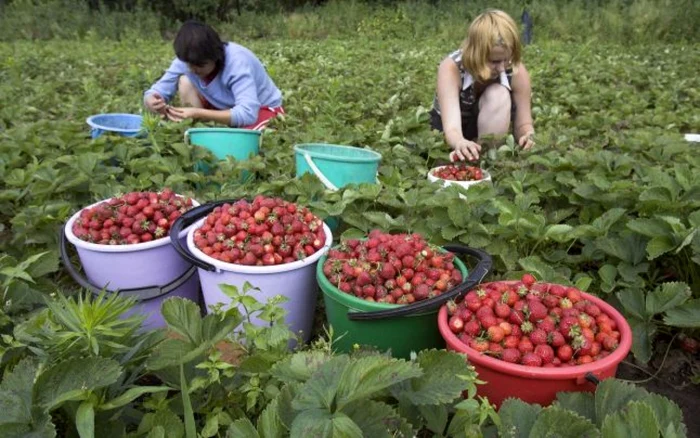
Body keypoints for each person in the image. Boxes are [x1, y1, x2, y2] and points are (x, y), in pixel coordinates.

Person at [429, 9, 535, 162]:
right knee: (443, 160)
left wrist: (527, 135)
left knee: (499, 94)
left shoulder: (517, 72)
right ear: (475, 54)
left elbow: (524, 123)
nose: (501, 68)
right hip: (450, 130)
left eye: (506, 60)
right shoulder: (452, 68)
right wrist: (459, 142)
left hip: (487, 129)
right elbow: (451, 128)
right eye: (494, 61)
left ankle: (485, 159)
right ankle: (461, 158)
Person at [144, 21, 284, 130]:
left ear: (215, 56)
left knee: (246, 139)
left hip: (259, 108)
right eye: (189, 64)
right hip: (222, 107)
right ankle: (201, 128)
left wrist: (198, 113)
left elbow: (248, 114)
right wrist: (152, 100)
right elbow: (157, 91)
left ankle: (208, 124)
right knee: (185, 81)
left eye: (200, 65)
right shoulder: (187, 59)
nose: (193, 69)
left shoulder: (237, 63)